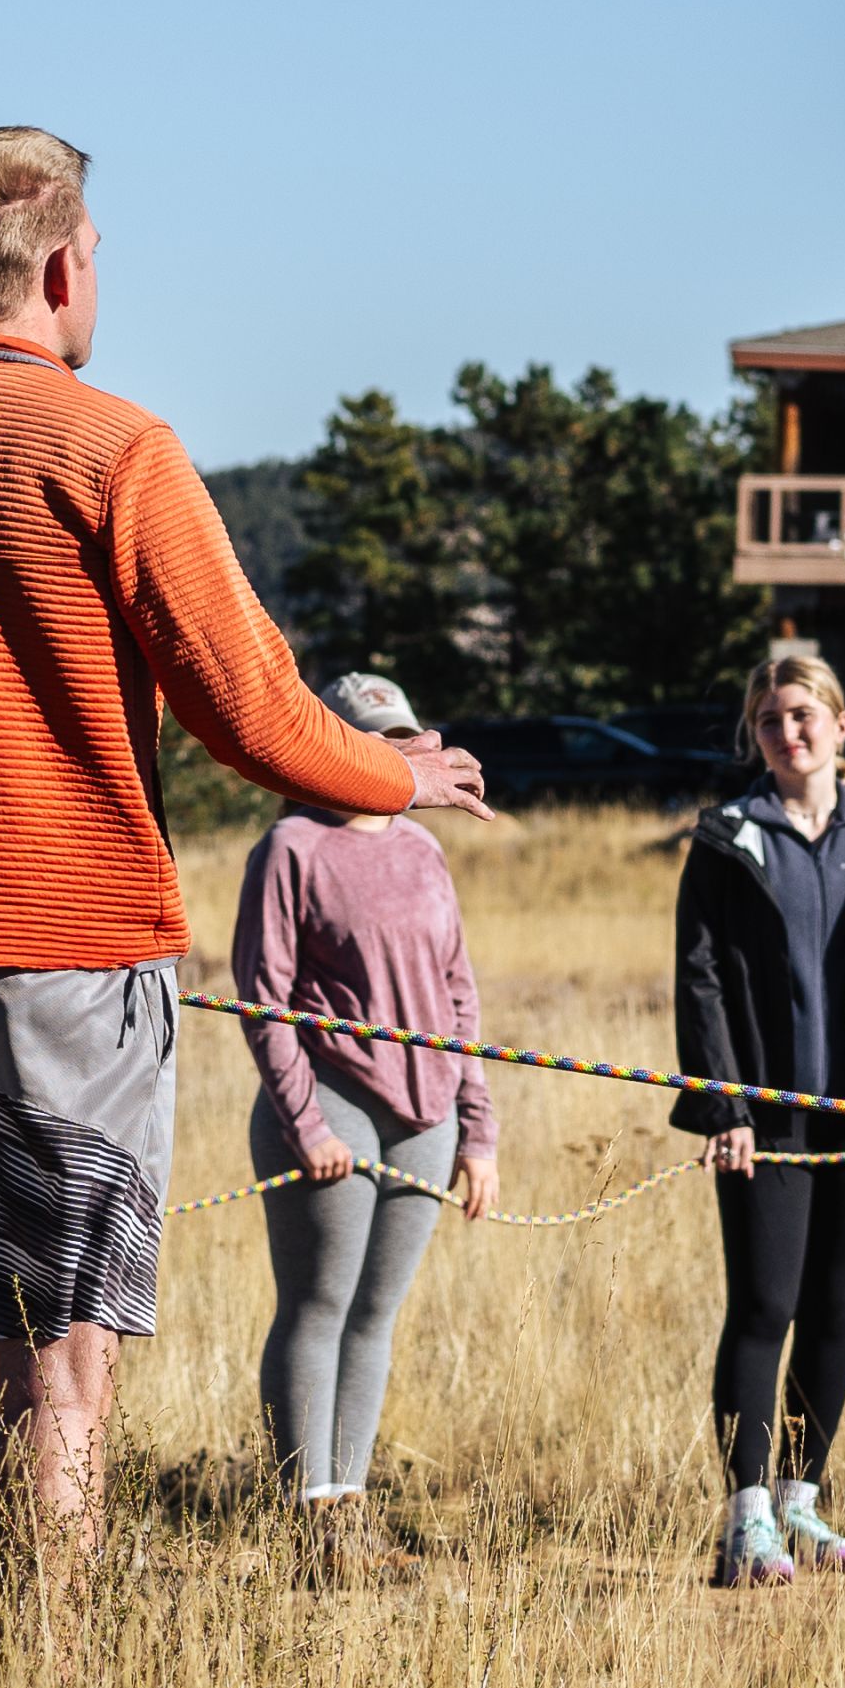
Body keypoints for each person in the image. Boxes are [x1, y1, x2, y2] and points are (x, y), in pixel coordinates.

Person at [0, 127, 489, 1586]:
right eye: (98, 257)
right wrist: (393, 778)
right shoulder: (114, 447)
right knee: (61, 1362)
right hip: (71, 950)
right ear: (59, 262)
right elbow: (254, 708)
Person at [672, 649, 845, 1590]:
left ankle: (799, 1498)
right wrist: (726, 1101)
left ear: (839, 726)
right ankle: (746, 1518)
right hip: (769, 1121)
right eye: (768, 720)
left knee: (834, 1310)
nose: (787, 732)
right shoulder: (725, 841)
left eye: (802, 715)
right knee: (765, 1307)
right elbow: (699, 980)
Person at [232, 670, 498, 1586]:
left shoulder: (425, 849)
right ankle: (308, 1525)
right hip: (332, 1104)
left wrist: (479, 1131)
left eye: (397, 737)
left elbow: (459, 995)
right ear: (326, 745)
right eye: (364, 738)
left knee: (375, 1317)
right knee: (317, 1307)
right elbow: (263, 1002)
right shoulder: (289, 847)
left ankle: (346, 1509)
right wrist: (304, 1124)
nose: (383, 753)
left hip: (424, 1112)